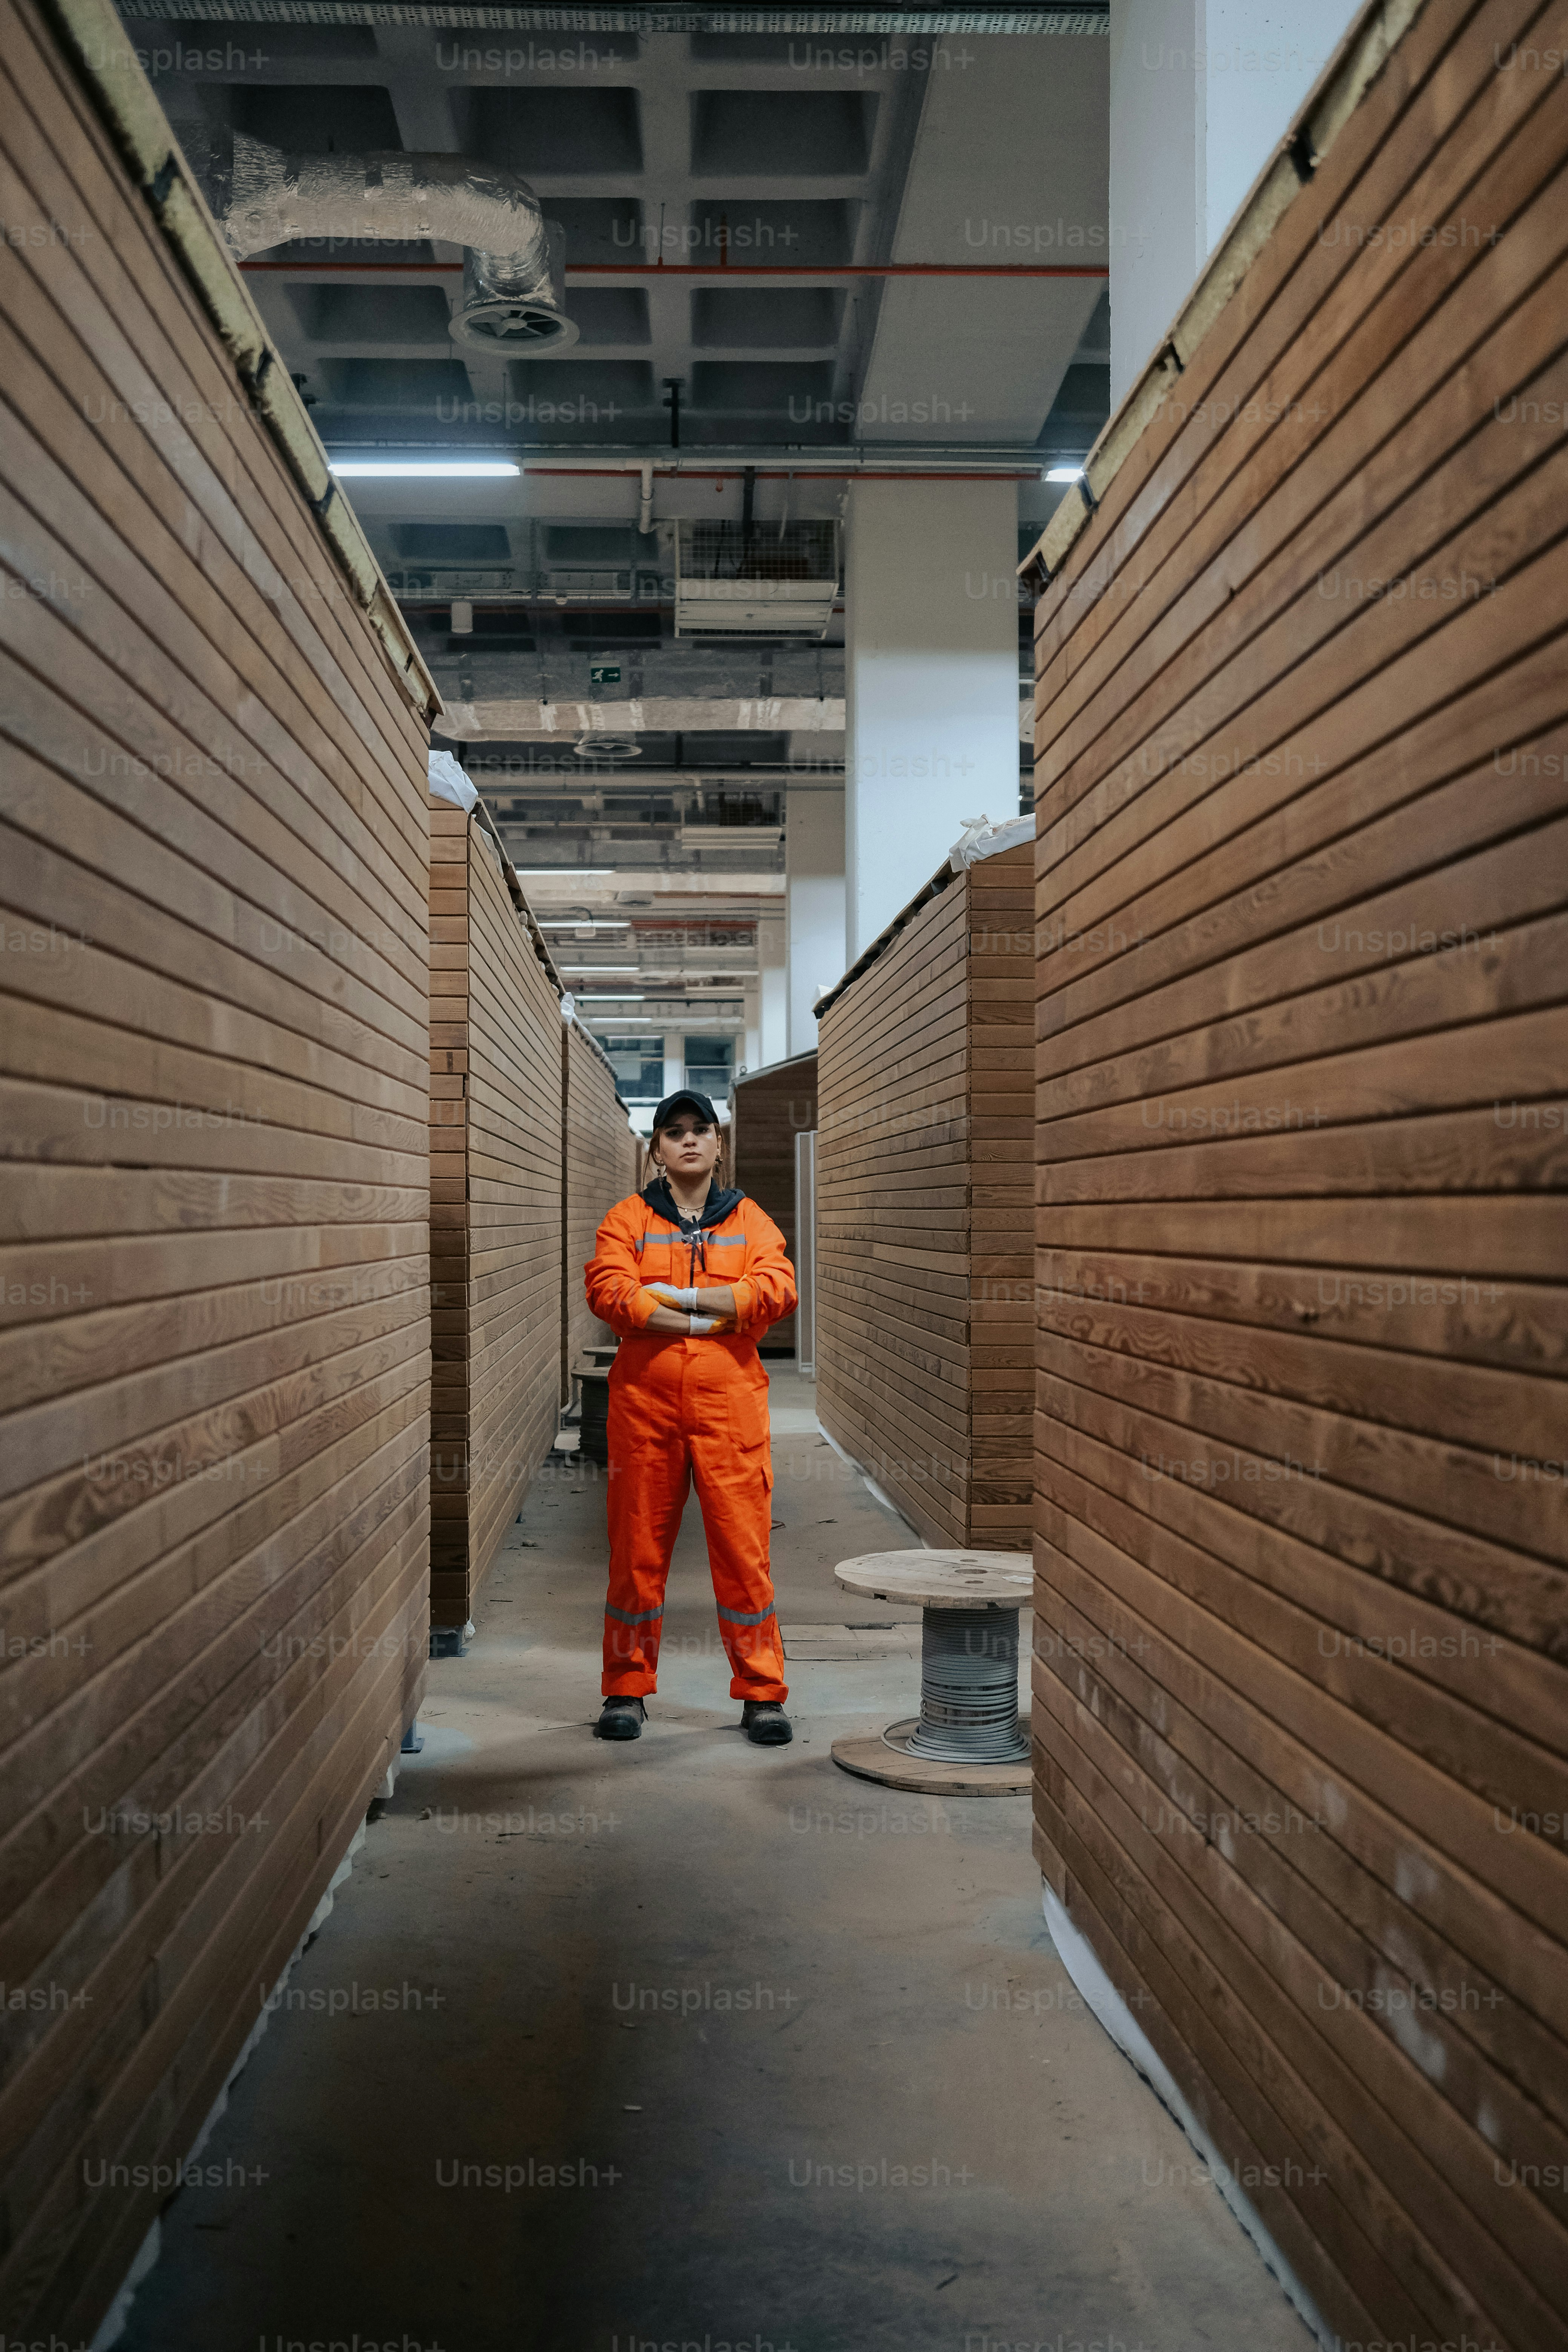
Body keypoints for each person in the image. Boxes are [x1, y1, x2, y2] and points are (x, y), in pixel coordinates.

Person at [583, 1090, 797, 1746]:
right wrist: (711, 1316)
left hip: (729, 1408)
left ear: (718, 1144)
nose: (689, 1141)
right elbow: (608, 1290)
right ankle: (625, 1690)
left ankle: (762, 1695)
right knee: (636, 1553)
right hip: (644, 1408)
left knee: (743, 1553)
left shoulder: (750, 1219)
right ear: (656, 1149)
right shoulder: (628, 1219)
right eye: (674, 1132)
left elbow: (779, 1288)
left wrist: (675, 1298)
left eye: (700, 1130)